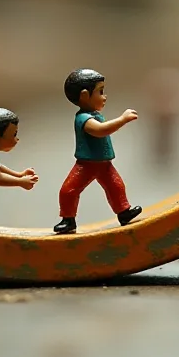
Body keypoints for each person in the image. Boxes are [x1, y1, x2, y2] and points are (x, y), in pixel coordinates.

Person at [55, 68, 142, 234]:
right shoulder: (84, 119)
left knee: (116, 186)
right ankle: (68, 219)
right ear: (84, 96)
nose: (105, 96)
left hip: (104, 163)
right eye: (100, 91)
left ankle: (124, 212)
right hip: (86, 164)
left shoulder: (94, 114)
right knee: (68, 190)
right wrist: (122, 119)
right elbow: (101, 130)